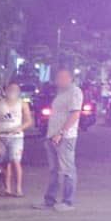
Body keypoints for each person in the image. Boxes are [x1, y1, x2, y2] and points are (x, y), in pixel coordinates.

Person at [34, 68, 83, 212]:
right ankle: (49, 200)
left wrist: (61, 132)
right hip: (52, 136)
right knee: (54, 170)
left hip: (65, 137)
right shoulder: (61, 93)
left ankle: (68, 201)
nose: (58, 80)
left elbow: (75, 114)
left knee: (67, 170)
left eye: (62, 77)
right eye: (57, 77)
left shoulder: (75, 92)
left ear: (70, 78)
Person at [0, 82, 32, 197]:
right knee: (4, 163)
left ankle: (19, 188)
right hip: (1, 136)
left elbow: (29, 121)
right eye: (10, 89)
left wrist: (20, 128)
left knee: (15, 161)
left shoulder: (23, 104)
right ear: (5, 90)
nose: (12, 91)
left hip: (16, 138)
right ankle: (7, 188)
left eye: (15, 89)